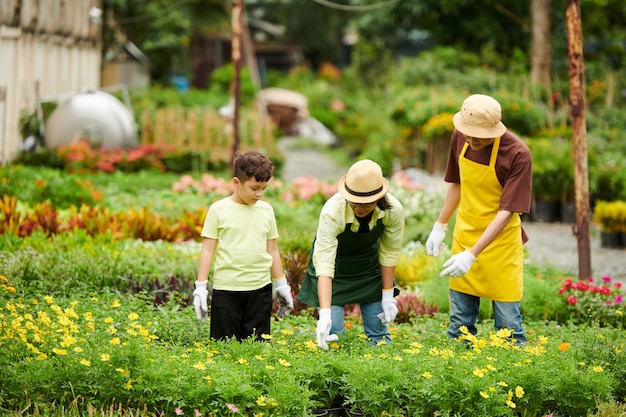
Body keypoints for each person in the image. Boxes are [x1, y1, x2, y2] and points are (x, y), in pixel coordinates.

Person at [426, 93, 532, 345]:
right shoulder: (460, 136)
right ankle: (459, 376)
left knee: (508, 328)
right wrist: (439, 226)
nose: (471, 139)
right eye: (467, 132)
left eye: (479, 135)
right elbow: (457, 183)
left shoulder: (518, 154)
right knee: (459, 327)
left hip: (501, 244)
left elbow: (507, 211)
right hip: (466, 234)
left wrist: (472, 254)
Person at [297, 159, 405, 350]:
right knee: (334, 335)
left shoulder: (393, 211)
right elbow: (324, 263)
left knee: (378, 334)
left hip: (368, 268)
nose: (359, 208)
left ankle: (378, 372)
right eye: (354, 202)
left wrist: (387, 296)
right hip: (334, 270)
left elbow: (389, 252)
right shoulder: (333, 211)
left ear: (379, 198)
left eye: (366, 203)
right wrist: (324, 313)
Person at [192, 150, 294, 341]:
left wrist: (281, 284)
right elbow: (207, 249)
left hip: (260, 289)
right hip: (226, 289)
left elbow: (271, 249)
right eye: (255, 188)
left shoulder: (266, 210)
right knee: (224, 347)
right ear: (236, 183)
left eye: (264, 188)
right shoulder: (218, 210)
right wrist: (200, 287)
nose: (260, 194)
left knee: (257, 347)